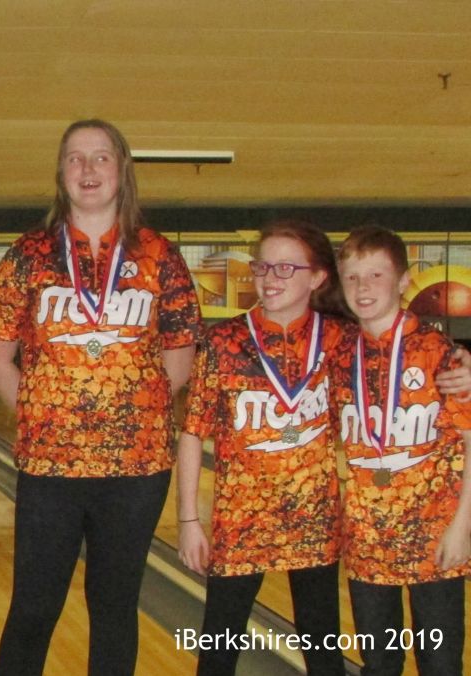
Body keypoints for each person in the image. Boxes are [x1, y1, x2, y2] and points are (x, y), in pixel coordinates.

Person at [0, 118, 202, 675]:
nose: (87, 169)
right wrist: (41, 416)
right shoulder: (29, 254)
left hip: (136, 468)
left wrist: (131, 411)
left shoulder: (160, 256)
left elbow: (179, 355)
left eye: (101, 157)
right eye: (74, 158)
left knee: (114, 609)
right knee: (33, 609)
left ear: (122, 169)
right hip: (50, 466)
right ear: (61, 172)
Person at [176, 220, 348, 675]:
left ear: (317, 277)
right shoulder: (223, 342)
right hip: (240, 520)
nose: (270, 277)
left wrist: (460, 362)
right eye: (263, 266)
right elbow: (192, 432)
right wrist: (188, 519)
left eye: (286, 268)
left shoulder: (341, 341)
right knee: (218, 652)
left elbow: (408, 364)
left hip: (314, 519)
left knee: (323, 652)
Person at [331, 226, 471, 675]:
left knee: (440, 664)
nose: (363, 287)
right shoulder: (339, 355)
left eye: (376, 275)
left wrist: (462, 528)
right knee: (379, 664)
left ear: (404, 281)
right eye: (352, 277)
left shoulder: (438, 352)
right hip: (367, 543)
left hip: (435, 539)